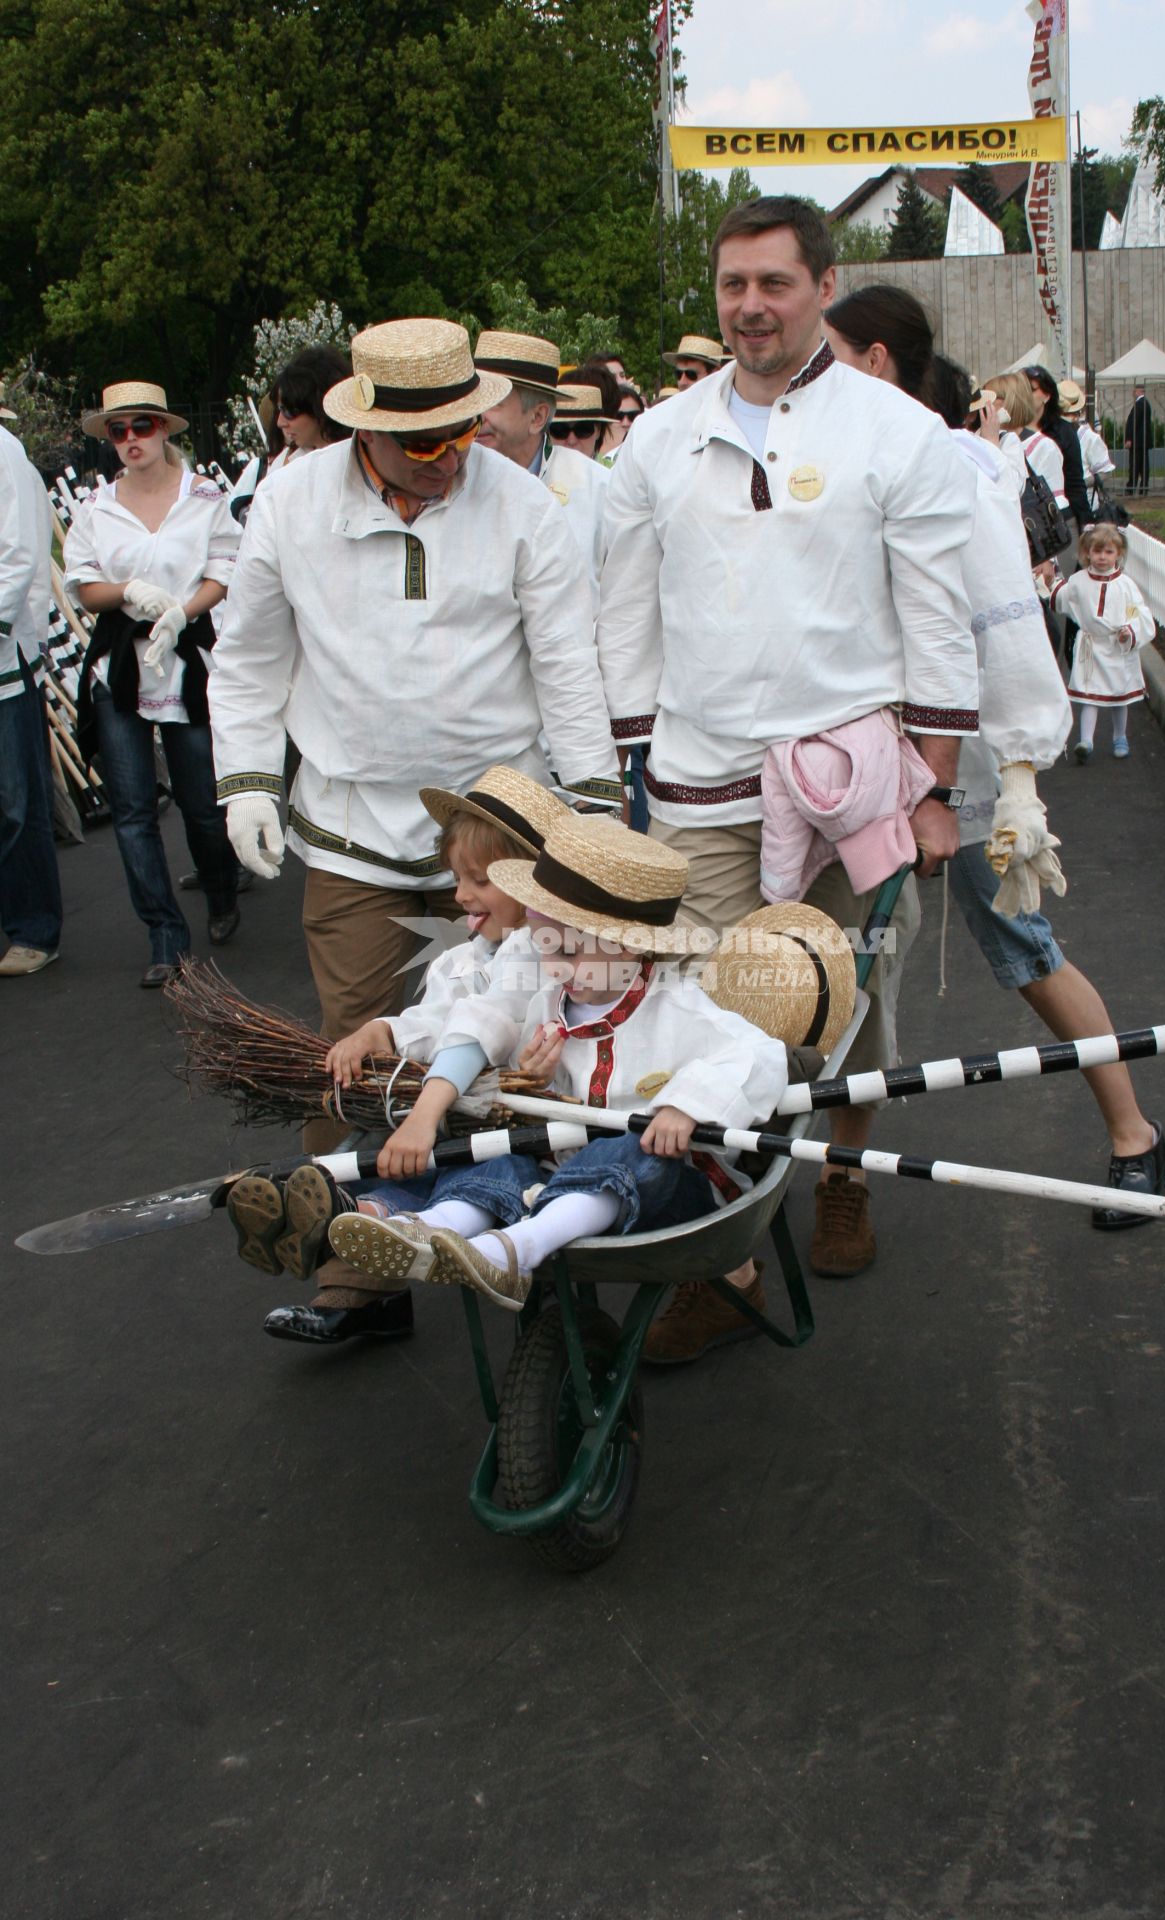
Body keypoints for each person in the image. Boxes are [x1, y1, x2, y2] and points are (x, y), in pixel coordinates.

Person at [596, 202, 979, 1355]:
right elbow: (622, 611)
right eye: (731, 286)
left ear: (821, 285)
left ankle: (842, 1178)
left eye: (773, 283)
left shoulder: (895, 431)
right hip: (702, 785)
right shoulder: (655, 439)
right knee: (710, 1018)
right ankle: (724, 1259)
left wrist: (935, 786)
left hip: (853, 789)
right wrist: (626, 763)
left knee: (845, 1009)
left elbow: (935, 617)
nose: (749, 307)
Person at [208, 318, 621, 1146]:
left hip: (499, 825)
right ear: (369, 429)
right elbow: (250, 658)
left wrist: (595, 808)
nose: (452, 460)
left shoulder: (524, 506)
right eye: (424, 446)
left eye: (462, 434)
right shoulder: (290, 503)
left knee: (513, 1037)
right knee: (353, 1043)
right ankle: (356, 1246)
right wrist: (248, 780)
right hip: (353, 822)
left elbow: (567, 665)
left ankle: (508, 1240)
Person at [326, 814, 789, 1311]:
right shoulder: (547, 995)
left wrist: (686, 1105)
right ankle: (430, 1231)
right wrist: (536, 1086)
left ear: (629, 944)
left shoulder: (679, 1009)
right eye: (544, 947)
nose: (554, 967)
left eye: (568, 950)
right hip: (556, 1180)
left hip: (666, 1192)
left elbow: (760, 1054)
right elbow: (488, 1031)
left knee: (633, 1147)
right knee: (497, 1151)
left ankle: (516, 1250)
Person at [918, 357, 1165, 1224]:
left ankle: (1134, 1133)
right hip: (849, 761)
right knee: (837, 959)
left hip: (967, 758)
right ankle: (838, 1180)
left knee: (1024, 946)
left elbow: (1010, 633)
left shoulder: (962, 476)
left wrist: (1016, 781)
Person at [225, 766, 570, 1343]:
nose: (460, 895)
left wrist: (425, 1113)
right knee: (395, 1153)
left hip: (532, 1134)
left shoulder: (542, 950)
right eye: (457, 878)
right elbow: (437, 1016)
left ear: (532, 884)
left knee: (477, 1167)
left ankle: (372, 1221)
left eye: (479, 881)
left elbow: (478, 1027)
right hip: (474, 1116)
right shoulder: (468, 957)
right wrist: (381, 1032)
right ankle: (344, 1218)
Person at [63, 381, 242, 986]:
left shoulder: (205, 496)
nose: (131, 440)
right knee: (133, 809)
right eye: (118, 430)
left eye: (142, 426)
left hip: (186, 657)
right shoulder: (95, 508)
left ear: (164, 429)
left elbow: (224, 569)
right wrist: (130, 593)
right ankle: (164, 931)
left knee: (201, 803)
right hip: (119, 662)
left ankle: (221, 889)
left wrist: (184, 612)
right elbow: (83, 586)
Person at [473, 332, 610, 606]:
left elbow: (620, 603)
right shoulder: (448, 480)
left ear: (537, 417)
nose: (476, 416)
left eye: (492, 403)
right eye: (473, 399)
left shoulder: (599, 488)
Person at [0, 413, 63, 976]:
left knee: (16, 803)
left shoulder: (3, 452)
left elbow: (20, 554)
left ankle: (35, 928)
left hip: (3, 660)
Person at [1053, 524, 1156, 765]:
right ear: (1087, 552)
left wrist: (1129, 632)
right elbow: (1061, 598)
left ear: (1118, 554)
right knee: (1091, 695)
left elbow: (1140, 614)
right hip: (1090, 646)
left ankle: (1120, 737)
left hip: (1117, 647)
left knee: (1120, 696)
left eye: (1108, 552)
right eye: (1097, 551)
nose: (1102, 557)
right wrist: (1047, 581)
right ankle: (1086, 740)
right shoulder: (1078, 581)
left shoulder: (1126, 585)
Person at [227, 345, 353, 526]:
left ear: (318, 407)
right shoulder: (283, 467)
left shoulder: (364, 461)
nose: (280, 422)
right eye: (279, 410)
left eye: (289, 411)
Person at [1024, 365, 1091, 532]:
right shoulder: (1010, 430)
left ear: (1047, 395)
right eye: (1021, 390)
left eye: (1031, 390)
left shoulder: (1063, 431)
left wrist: (1085, 524)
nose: (1025, 395)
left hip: (1058, 517)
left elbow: (1075, 482)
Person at [1060, 379, 1116, 511]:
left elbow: (1105, 472)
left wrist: (1079, 483)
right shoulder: (1051, 435)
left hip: (1085, 503)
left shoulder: (1090, 438)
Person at [1124, 386, 1153, 496]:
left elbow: (1134, 423)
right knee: (1143, 465)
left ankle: (1131, 487)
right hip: (1142, 441)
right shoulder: (1146, 404)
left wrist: (1129, 438)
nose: (1133, 393)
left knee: (1135, 465)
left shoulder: (1140, 404)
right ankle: (1143, 487)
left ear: (1139, 391)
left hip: (1137, 441)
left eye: (1135, 391)